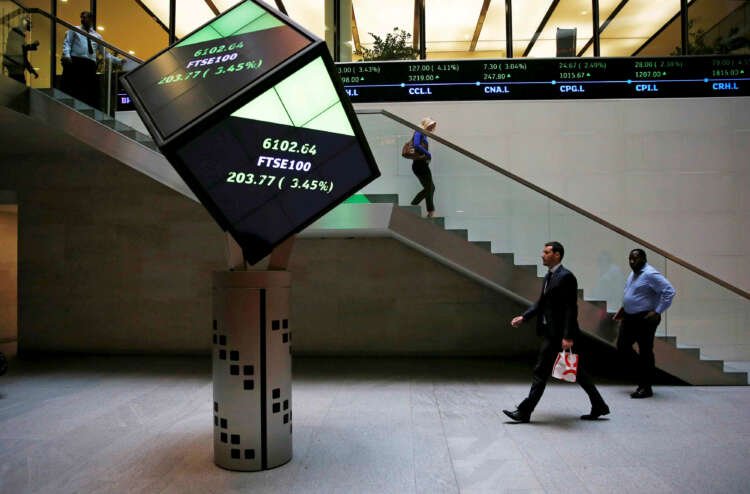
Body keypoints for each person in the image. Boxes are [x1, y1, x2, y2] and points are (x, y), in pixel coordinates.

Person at [503, 241, 610, 423]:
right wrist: (524, 317)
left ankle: (524, 412)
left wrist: (568, 336)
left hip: (560, 335)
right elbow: (542, 302)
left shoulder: (566, 277)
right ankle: (599, 405)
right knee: (577, 372)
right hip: (551, 332)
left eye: (546, 252)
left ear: (557, 255)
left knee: (540, 371)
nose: (542, 255)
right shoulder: (549, 276)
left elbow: (571, 308)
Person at [613, 248, 675, 398]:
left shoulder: (650, 274)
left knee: (645, 351)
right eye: (630, 259)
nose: (632, 262)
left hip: (645, 318)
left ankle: (646, 387)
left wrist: (658, 311)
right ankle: (643, 371)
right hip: (629, 317)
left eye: (635, 259)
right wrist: (624, 308)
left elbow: (669, 291)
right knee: (622, 346)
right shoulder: (633, 273)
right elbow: (633, 293)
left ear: (644, 259)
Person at [61, 11, 120, 108]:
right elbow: (67, 43)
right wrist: (67, 55)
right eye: (82, 17)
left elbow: (104, 53)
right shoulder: (74, 30)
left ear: (91, 20)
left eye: (86, 18)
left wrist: (117, 61)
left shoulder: (97, 36)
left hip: (89, 64)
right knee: (73, 87)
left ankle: (87, 108)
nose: (83, 20)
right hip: (76, 61)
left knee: (89, 90)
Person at [409, 117, 437, 218]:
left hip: (422, 164)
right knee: (430, 188)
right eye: (430, 126)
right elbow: (416, 145)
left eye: (433, 126)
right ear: (426, 125)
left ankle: (417, 206)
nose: (432, 128)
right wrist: (428, 153)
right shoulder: (418, 131)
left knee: (430, 188)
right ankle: (426, 209)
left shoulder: (423, 134)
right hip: (419, 165)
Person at [2, 15, 39, 84]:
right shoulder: (16, 32)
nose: (30, 27)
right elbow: (20, 52)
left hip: (16, 67)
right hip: (15, 66)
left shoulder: (19, 33)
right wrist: (30, 47)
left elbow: (22, 52)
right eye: (29, 24)